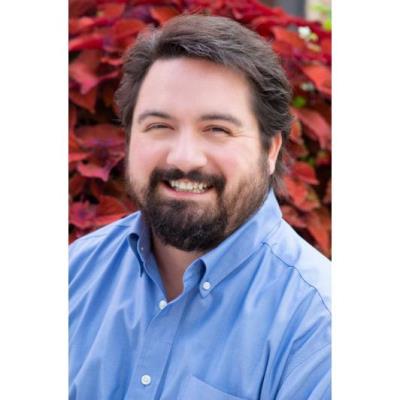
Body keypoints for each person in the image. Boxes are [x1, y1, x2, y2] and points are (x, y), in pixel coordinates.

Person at [69, 14, 331, 400]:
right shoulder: (75, 272)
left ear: (271, 150)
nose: (185, 157)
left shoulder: (319, 326)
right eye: (159, 126)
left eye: (217, 130)